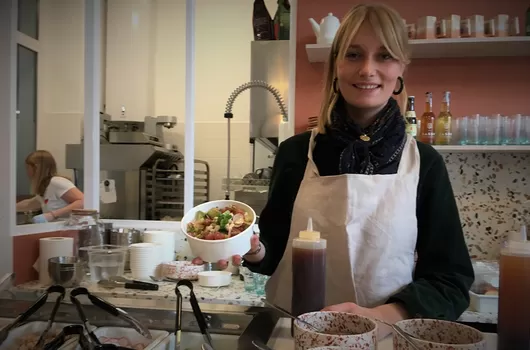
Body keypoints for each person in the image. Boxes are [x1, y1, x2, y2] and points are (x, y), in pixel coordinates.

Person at [194, 3, 474, 339]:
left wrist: (380, 316)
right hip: (294, 332)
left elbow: (451, 280)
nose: (368, 69)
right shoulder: (297, 153)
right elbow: (273, 250)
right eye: (354, 55)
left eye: (384, 56)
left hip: (384, 337)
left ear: (401, 67)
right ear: (336, 65)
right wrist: (250, 247)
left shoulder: (423, 162)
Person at [16, 150, 84, 223]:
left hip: (68, 229)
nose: (27, 171)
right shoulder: (45, 187)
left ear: (36, 168)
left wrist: (52, 215)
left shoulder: (57, 182)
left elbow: (83, 201)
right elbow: (31, 204)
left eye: (28, 167)